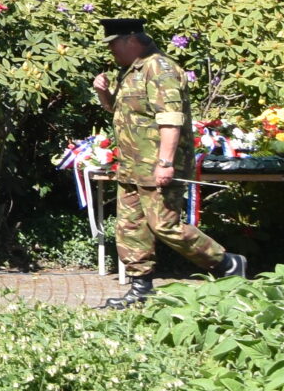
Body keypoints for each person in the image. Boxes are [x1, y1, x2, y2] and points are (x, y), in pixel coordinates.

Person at [93, 15, 244, 306]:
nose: (110, 50)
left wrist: (165, 162)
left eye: (114, 44)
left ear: (133, 40)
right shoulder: (130, 70)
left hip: (156, 164)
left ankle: (226, 263)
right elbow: (122, 113)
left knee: (165, 224)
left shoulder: (160, 69)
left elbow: (171, 121)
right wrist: (103, 94)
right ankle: (141, 288)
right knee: (130, 226)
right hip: (132, 165)